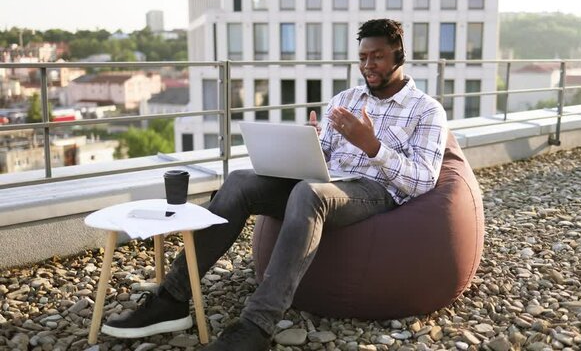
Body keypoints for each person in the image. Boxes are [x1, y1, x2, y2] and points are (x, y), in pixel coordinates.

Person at [102, 18, 448, 350]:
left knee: (308, 193)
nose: (368, 64)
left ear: (399, 55)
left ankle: (256, 325)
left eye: (378, 56)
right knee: (239, 182)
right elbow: (323, 157)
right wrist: (309, 142)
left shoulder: (426, 111)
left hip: (373, 191)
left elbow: (422, 181)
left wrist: (372, 146)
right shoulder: (345, 100)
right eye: (362, 57)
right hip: (327, 181)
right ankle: (171, 298)